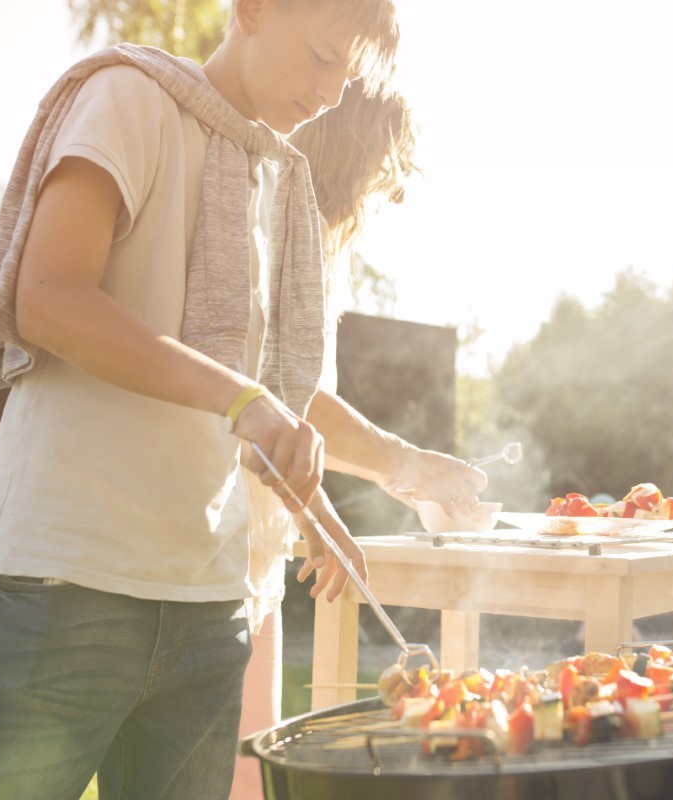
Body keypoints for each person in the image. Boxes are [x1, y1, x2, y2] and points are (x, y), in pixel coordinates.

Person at [0, 2, 423, 798]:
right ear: (253, 10)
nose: (332, 95)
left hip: (206, 603)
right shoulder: (131, 98)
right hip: (67, 579)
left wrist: (314, 509)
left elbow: (244, 394)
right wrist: (247, 399)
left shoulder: (278, 181)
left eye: (348, 75)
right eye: (323, 57)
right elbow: (48, 297)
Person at [227, 83, 487, 800]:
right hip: (210, 552)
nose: (393, 196)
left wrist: (390, 480)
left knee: (252, 782)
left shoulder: (314, 247)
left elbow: (294, 416)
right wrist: (405, 461)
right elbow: (280, 391)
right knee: (237, 780)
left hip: (257, 548)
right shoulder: (273, 227)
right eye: (386, 170)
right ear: (349, 158)